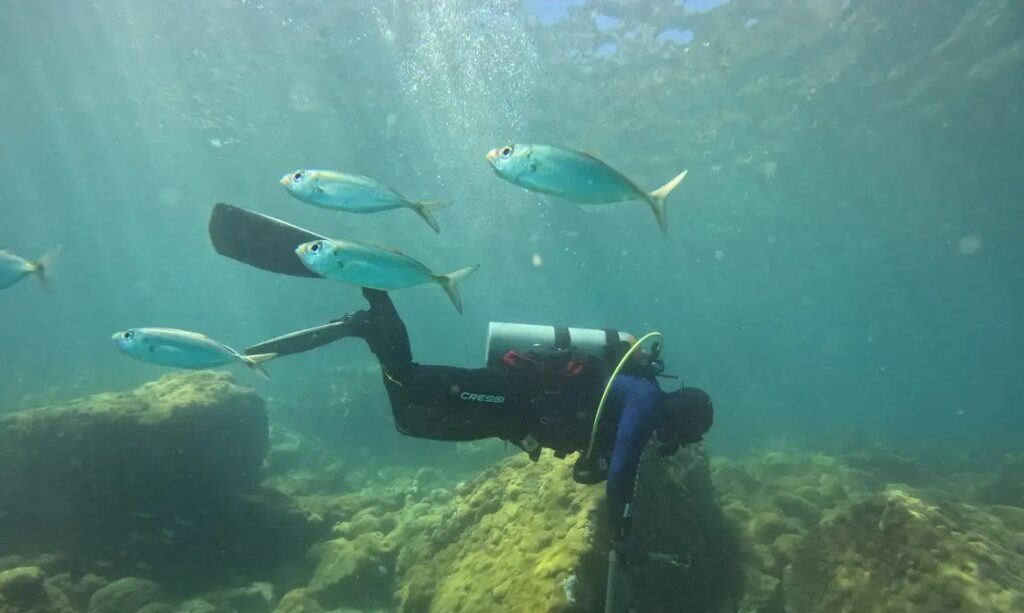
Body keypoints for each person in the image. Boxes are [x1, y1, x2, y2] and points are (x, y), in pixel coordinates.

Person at [208, 203, 714, 562]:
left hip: (512, 417)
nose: (685, 443)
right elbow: (623, 465)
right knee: (411, 382)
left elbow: (600, 455)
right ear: (683, 415)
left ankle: (371, 321)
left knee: (411, 421)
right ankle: (373, 298)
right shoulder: (646, 400)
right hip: (513, 394)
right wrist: (622, 529)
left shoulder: (643, 403)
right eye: (691, 434)